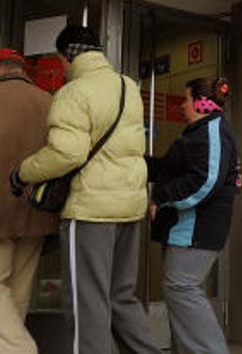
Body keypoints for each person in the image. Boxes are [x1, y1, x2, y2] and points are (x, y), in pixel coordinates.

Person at [10, 26, 160, 354]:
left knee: (86, 301)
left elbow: (67, 152)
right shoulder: (128, 86)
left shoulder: (74, 92)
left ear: (67, 56)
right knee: (121, 298)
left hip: (91, 210)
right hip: (129, 207)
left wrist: (23, 173)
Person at [147, 77, 240, 353]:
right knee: (179, 290)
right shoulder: (199, 132)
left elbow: (206, 182)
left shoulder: (212, 131)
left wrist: (163, 198)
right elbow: (168, 168)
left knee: (182, 288)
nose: (181, 106)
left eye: (185, 100)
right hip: (185, 229)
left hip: (195, 229)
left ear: (201, 103)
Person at [1, 48, 56, 354]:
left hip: (0, 212)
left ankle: (21, 349)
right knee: (19, 292)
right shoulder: (48, 102)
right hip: (36, 213)